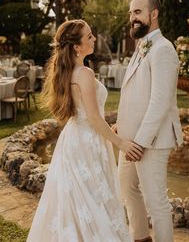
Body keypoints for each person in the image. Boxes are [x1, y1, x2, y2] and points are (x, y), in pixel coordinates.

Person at [27, 19, 143, 242]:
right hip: (88, 142)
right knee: (93, 199)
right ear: (76, 46)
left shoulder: (69, 71)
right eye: (89, 36)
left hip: (74, 139)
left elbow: (87, 114)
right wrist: (121, 142)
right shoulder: (84, 73)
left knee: (76, 199)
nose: (94, 39)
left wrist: (109, 128)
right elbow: (93, 118)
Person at [116, 0, 183, 242]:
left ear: (153, 14)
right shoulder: (141, 46)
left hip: (150, 141)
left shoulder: (164, 49)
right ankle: (141, 238)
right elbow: (136, 95)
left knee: (157, 203)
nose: (132, 18)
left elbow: (160, 103)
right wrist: (121, 126)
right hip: (129, 140)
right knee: (128, 189)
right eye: (131, 13)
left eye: (137, 12)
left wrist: (141, 143)